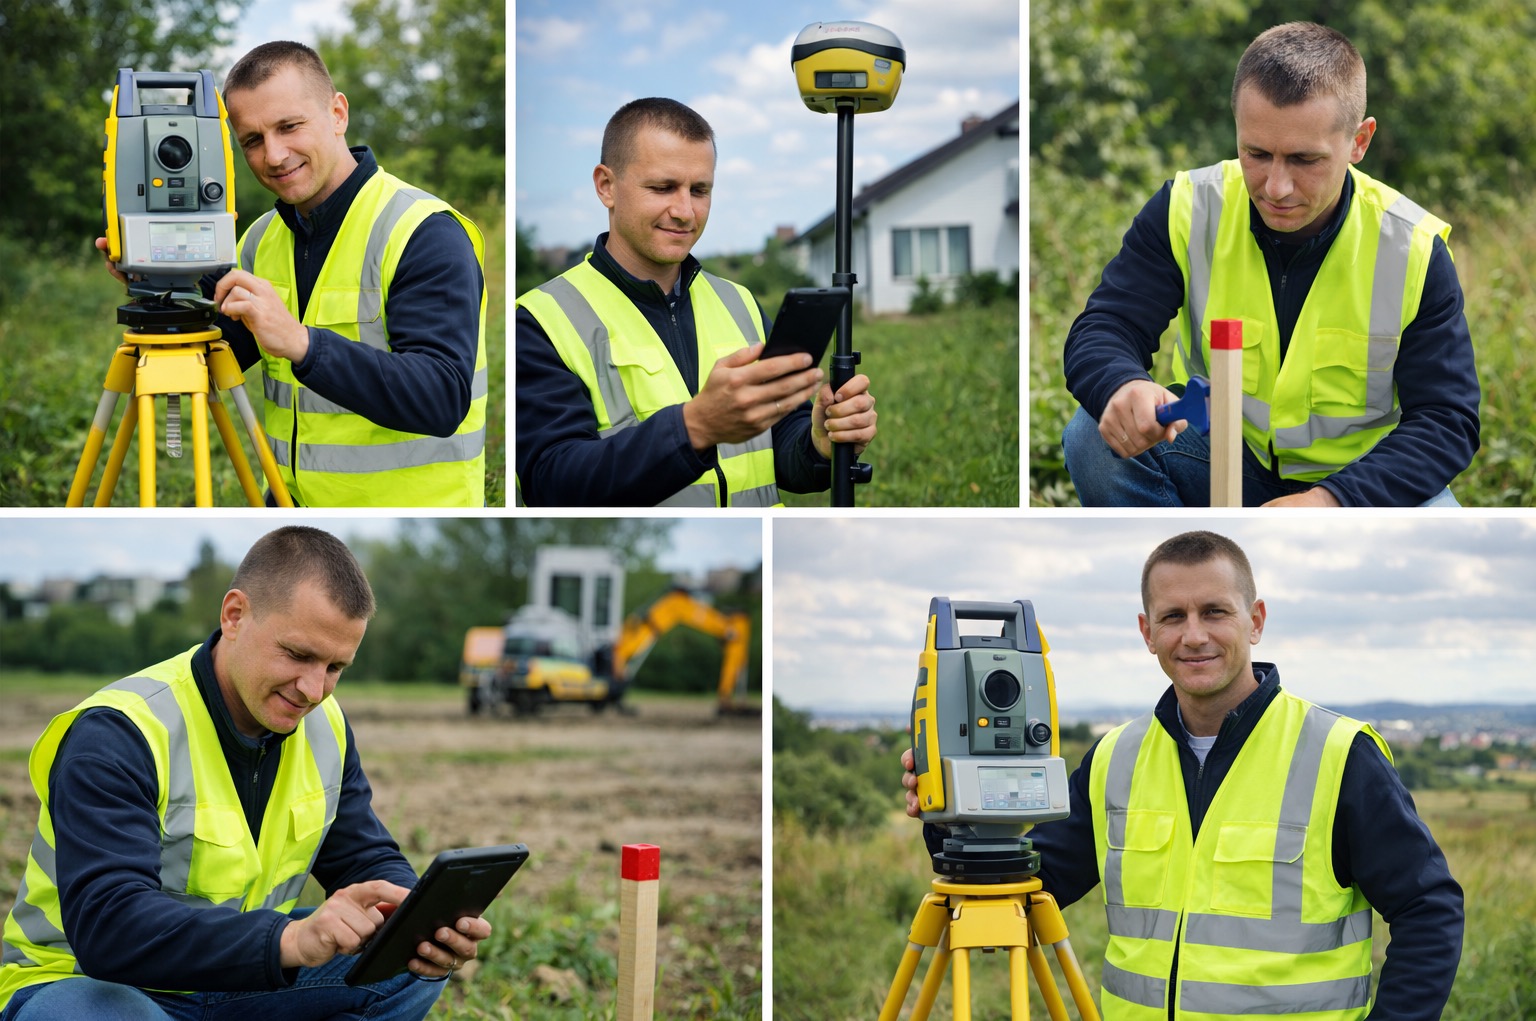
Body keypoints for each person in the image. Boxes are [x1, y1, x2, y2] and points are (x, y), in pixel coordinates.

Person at [900, 530, 1463, 1019]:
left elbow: (1428, 909)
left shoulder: (1339, 754)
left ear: (1255, 621)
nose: (1194, 636)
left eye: (1214, 612)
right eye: (1173, 617)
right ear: (1147, 632)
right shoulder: (1115, 758)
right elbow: (1024, 888)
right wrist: (952, 818)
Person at [0, 526, 490, 1020]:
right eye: (298, 655)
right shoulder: (120, 732)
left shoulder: (324, 725)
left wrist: (414, 919)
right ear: (234, 615)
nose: (313, 690)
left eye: (335, 667)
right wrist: (290, 939)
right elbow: (110, 928)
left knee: (404, 966)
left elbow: (363, 856)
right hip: (88, 982)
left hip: (233, 977)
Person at [1060, 22, 1479, 507]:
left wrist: (1330, 501)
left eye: (1304, 160)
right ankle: (1204, 546)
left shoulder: (1413, 249)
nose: (1276, 187)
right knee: (1091, 437)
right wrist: (1123, 383)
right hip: (1221, 457)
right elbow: (1107, 324)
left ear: (1359, 141)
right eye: (1256, 153)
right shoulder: (1188, 208)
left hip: (1362, 480)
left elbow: (1446, 420)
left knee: (1445, 534)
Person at [98, 41, 488, 507]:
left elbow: (441, 397)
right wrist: (158, 285)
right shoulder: (260, 239)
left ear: (337, 113)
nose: (274, 155)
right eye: (252, 140)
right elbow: (215, 354)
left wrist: (301, 343)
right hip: (291, 507)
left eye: (289, 127)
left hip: (408, 516)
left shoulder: (422, 232)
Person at [515, 97, 879, 506]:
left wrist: (817, 444)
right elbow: (551, 483)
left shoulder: (739, 302)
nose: (685, 211)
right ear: (606, 186)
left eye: (700, 190)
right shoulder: (542, 320)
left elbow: (780, 446)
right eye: (662, 188)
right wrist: (695, 429)